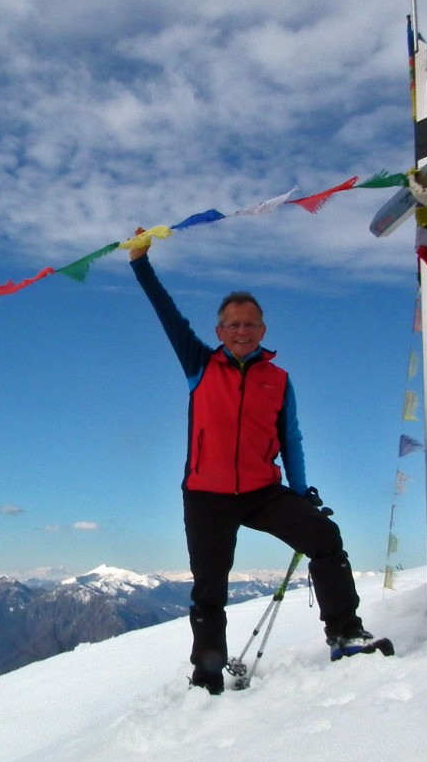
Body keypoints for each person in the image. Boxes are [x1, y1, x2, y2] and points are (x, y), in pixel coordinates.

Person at [128, 228, 385, 694]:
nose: (241, 331)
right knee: (210, 587)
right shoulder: (200, 365)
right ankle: (208, 673)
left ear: (262, 331)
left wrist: (303, 491)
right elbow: (167, 314)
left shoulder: (278, 379)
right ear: (219, 331)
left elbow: (291, 438)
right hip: (206, 494)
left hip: (262, 492)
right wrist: (141, 263)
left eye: (249, 324)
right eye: (232, 324)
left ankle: (345, 633)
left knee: (325, 539)